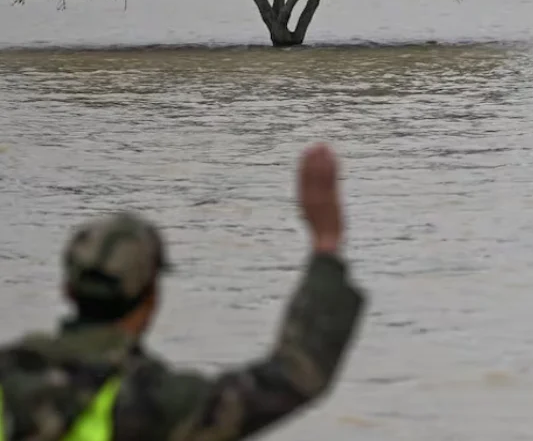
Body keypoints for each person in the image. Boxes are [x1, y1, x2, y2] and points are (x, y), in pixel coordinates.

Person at [0, 143, 366, 441]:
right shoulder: (159, 404)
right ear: (152, 297)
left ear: (67, 288)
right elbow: (295, 375)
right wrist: (326, 244)